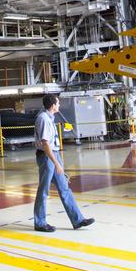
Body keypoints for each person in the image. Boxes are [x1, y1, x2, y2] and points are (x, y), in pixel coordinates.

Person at [33, 95, 94, 233]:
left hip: (53, 156)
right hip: (47, 157)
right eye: (58, 103)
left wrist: (58, 162)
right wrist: (56, 162)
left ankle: (78, 220)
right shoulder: (43, 119)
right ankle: (40, 223)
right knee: (43, 190)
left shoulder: (49, 118)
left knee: (64, 188)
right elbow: (45, 143)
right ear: (53, 105)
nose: (59, 105)